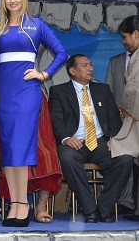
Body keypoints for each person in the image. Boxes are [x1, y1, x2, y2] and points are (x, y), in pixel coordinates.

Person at [0, 0, 68, 227]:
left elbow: (62, 53)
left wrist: (43, 74)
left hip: (27, 94)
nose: (12, 0)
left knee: (22, 149)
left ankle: (23, 205)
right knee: (8, 150)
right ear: (3, 1)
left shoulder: (37, 26)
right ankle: (15, 203)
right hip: (2, 95)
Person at [49, 54, 134, 223]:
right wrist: (66, 138)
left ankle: (104, 208)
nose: (91, 69)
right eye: (85, 65)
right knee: (67, 158)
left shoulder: (103, 89)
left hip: (100, 142)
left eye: (91, 65)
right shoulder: (58, 91)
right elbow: (56, 120)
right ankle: (89, 209)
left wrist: (115, 138)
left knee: (125, 159)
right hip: (74, 142)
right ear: (72, 71)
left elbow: (114, 120)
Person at [0, 91, 63, 224]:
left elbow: (44, 128)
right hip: (6, 138)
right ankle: (15, 204)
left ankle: (41, 206)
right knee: (13, 152)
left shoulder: (36, 93)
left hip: (35, 137)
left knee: (47, 154)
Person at [105, 16, 137, 215]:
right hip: (120, 120)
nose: (124, 41)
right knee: (125, 159)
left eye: (125, 36)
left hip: (133, 118)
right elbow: (108, 91)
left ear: (136, 34)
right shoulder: (115, 61)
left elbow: (133, 90)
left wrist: (128, 108)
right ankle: (125, 202)